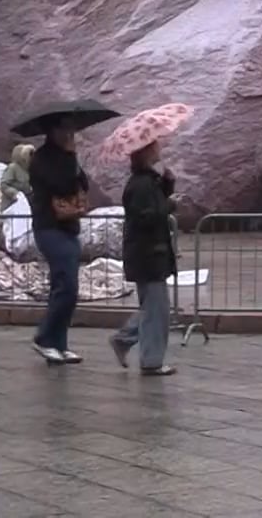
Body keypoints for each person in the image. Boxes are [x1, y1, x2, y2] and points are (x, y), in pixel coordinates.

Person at [110, 139, 178, 377]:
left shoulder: (148, 181)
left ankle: (124, 340)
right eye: (155, 145)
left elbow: (154, 204)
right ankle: (151, 361)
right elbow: (146, 217)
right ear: (146, 152)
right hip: (148, 254)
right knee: (156, 309)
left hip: (150, 253)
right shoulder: (140, 185)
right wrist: (168, 206)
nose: (160, 148)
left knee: (154, 307)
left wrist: (168, 184)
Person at [29, 119, 91, 365]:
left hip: (69, 226)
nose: (69, 134)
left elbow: (83, 182)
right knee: (67, 286)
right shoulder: (41, 159)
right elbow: (62, 184)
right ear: (52, 131)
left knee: (65, 287)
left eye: (71, 129)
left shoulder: (67, 157)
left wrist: (72, 158)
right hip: (50, 227)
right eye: (64, 129)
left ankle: (59, 344)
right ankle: (44, 338)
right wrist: (70, 157)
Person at [2, 143, 34, 207]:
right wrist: (15, 193)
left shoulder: (31, 169)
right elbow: (4, 185)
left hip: (28, 203)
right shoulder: (13, 168)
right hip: (12, 204)